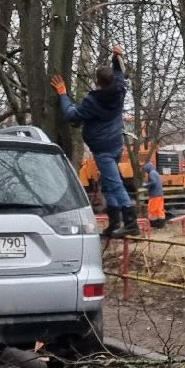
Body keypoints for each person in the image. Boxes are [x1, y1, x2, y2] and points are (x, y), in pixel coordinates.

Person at [53, 46, 133, 238]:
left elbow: (71, 115)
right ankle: (114, 223)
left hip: (103, 150)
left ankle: (131, 222)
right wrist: (116, 57)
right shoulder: (120, 89)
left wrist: (63, 94)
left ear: (97, 82)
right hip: (116, 145)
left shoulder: (92, 102)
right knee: (107, 184)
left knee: (114, 184)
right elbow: (119, 72)